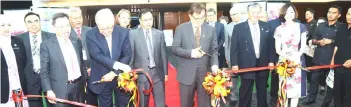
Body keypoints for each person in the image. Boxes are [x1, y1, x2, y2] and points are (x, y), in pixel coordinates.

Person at [172, 3, 219, 107]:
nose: (200, 21)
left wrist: (214, 65)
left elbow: (214, 50)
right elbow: (175, 49)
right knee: (186, 104)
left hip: (205, 75)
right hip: (186, 74)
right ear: (190, 15)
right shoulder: (181, 29)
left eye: (202, 18)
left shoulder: (210, 29)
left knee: (205, 104)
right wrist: (191, 53)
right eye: (197, 18)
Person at [86, 8, 132, 107]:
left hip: (121, 77)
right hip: (102, 76)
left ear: (114, 22)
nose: (106, 31)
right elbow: (96, 55)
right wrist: (116, 65)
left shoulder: (123, 32)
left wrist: (114, 72)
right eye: (102, 28)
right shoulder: (90, 34)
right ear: (97, 24)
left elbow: (127, 55)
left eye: (110, 27)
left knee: (124, 104)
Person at [230, 3, 274, 107]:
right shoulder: (239, 28)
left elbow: (271, 46)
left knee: (262, 92)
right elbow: (234, 48)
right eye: (253, 12)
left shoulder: (266, 26)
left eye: (258, 12)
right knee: (245, 91)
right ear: (248, 13)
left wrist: (271, 61)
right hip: (246, 64)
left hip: (263, 64)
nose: (255, 15)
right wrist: (234, 64)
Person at [40, 13, 88, 107]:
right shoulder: (47, 45)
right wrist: (48, 90)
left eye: (67, 25)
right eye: (61, 26)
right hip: (60, 89)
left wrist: (85, 80)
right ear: (54, 27)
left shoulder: (76, 41)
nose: (66, 29)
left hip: (78, 87)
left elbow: (81, 63)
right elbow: (44, 71)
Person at [303, 5, 343, 106]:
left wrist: (331, 41)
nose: (330, 14)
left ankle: (326, 103)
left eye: (334, 13)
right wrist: (318, 42)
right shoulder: (320, 25)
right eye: (329, 12)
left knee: (330, 84)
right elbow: (313, 39)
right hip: (318, 58)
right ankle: (311, 99)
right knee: (314, 81)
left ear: (339, 15)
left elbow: (343, 42)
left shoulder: (342, 27)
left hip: (332, 60)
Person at [129, 8, 168, 107]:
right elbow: (131, 55)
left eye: (150, 19)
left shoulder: (159, 34)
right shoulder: (133, 34)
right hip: (142, 74)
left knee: (160, 103)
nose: (148, 22)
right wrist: (131, 74)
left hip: (158, 73)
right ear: (140, 21)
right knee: (143, 103)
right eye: (145, 20)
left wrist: (166, 73)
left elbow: (163, 54)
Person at [274, 3, 308, 107]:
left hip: (297, 61)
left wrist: (296, 57)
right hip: (284, 62)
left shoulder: (301, 27)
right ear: (283, 14)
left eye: (292, 12)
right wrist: (287, 57)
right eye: (287, 12)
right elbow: (277, 49)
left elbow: (303, 46)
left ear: (295, 13)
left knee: (295, 92)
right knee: (284, 90)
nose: (289, 14)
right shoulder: (279, 29)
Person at [18, 12, 54, 107]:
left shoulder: (52, 37)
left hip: (50, 77)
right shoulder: (19, 39)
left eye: (36, 21)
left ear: (40, 22)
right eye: (29, 22)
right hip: (30, 79)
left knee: (54, 104)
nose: (33, 24)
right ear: (25, 24)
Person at [67, 7, 96, 106]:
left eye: (79, 17)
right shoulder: (66, 33)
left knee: (92, 98)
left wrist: (92, 67)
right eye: (75, 18)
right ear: (69, 19)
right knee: (78, 99)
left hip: (92, 69)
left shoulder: (90, 30)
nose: (78, 20)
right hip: (76, 72)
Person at [0, 14, 29, 107]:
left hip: (18, 83)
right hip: (3, 86)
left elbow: (23, 61)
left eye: (9, 25)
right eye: (2, 25)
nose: (6, 28)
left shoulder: (18, 41)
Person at [332, 6, 351, 107]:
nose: (349, 16)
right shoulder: (342, 27)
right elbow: (336, 46)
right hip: (339, 65)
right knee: (337, 92)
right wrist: (332, 61)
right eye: (348, 14)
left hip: (350, 68)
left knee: (348, 95)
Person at [225, 6, 241, 106]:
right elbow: (227, 45)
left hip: (245, 57)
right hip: (232, 57)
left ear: (240, 14)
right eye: (232, 15)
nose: (234, 17)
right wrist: (227, 57)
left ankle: (244, 95)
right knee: (233, 78)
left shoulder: (246, 24)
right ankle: (233, 96)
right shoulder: (227, 27)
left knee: (245, 77)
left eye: (235, 14)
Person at [304, 8, 317, 86]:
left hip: (311, 48)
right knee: (305, 64)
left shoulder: (315, 24)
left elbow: (315, 37)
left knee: (310, 64)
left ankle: (311, 82)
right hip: (304, 48)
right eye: (305, 14)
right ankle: (307, 80)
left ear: (312, 14)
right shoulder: (304, 24)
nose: (306, 15)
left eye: (307, 14)